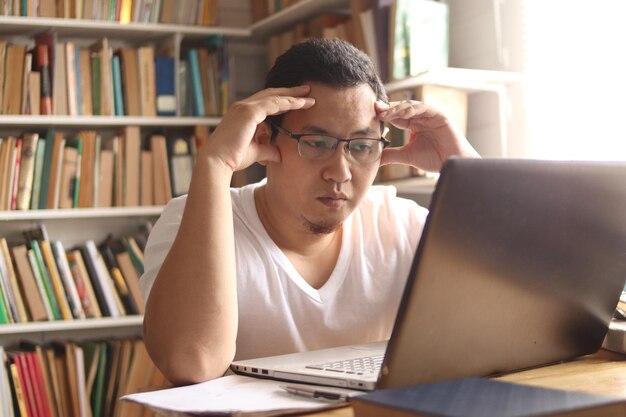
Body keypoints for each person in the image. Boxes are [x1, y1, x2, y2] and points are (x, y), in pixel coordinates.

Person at [140, 38, 479, 385]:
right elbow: (193, 363)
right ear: (266, 136)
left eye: (362, 147)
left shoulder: (400, 223)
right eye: (316, 143)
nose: (340, 172)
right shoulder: (194, 218)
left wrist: (466, 171)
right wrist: (215, 163)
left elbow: (524, 311)